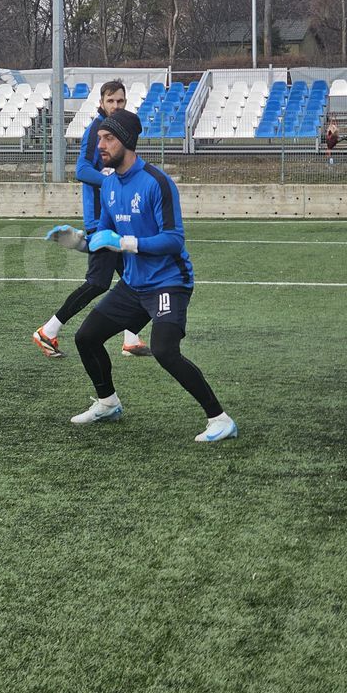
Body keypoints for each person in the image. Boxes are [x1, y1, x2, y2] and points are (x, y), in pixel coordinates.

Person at [67, 108, 238, 443]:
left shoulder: (157, 183)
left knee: (164, 350)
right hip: (133, 285)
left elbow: (174, 239)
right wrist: (78, 243)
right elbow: (105, 238)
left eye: (108, 138)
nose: (100, 144)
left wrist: (125, 242)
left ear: (127, 142)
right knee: (86, 337)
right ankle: (108, 403)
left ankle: (220, 419)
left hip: (169, 283)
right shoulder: (111, 185)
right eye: (99, 137)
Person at [34, 79, 150, 359]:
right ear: (101, 103)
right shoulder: (96, 132)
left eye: (120, 101)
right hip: (101, 221)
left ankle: (131, 339)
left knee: (139, 279)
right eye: (111, 101)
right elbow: (82, 170)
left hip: (118, 220)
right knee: (98, 283)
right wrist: (110, 183)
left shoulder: (119, 133)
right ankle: (47, 331)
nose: (116, 105)